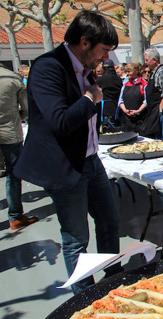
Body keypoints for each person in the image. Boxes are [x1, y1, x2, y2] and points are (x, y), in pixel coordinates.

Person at [14, 10, 120, 293]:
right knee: (76, 238)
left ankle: (114, 284)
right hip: (65, 167)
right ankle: (84, 299)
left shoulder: (85, 68)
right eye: (104, 50)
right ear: (85, 42)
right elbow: (59, 121)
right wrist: (89, 98)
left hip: (91, 161)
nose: (105, 58)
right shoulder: (48, 66)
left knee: (110, 223)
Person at [0, 65, 38, 230]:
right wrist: (18, 116)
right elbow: (27, 108)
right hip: (10, 132)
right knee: (13, 174)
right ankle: (15, 216)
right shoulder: (12, 79)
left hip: (10, 131)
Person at [143, 47, 163, 139]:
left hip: (160, 111)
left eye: (147, 60)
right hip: (153, 111)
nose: (145, 62)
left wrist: (160, 110)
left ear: (155, 60)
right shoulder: (154, 73)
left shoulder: (162, 72)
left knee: (162, 138)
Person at [117, 62, 148, 132]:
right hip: (127, 118)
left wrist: (138, 111)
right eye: (126, 71)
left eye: (129, 71)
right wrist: (125, 110)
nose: (127, 74)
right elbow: (120, 100)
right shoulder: (125, 85)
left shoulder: (144, 84)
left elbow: (146, 101)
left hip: (140, 118)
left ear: (136, 71)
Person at [96, 58, 122, 125]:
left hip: (104, 107)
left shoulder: (101, 79)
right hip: (117, 107)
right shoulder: (119, 79)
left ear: (104, 68)